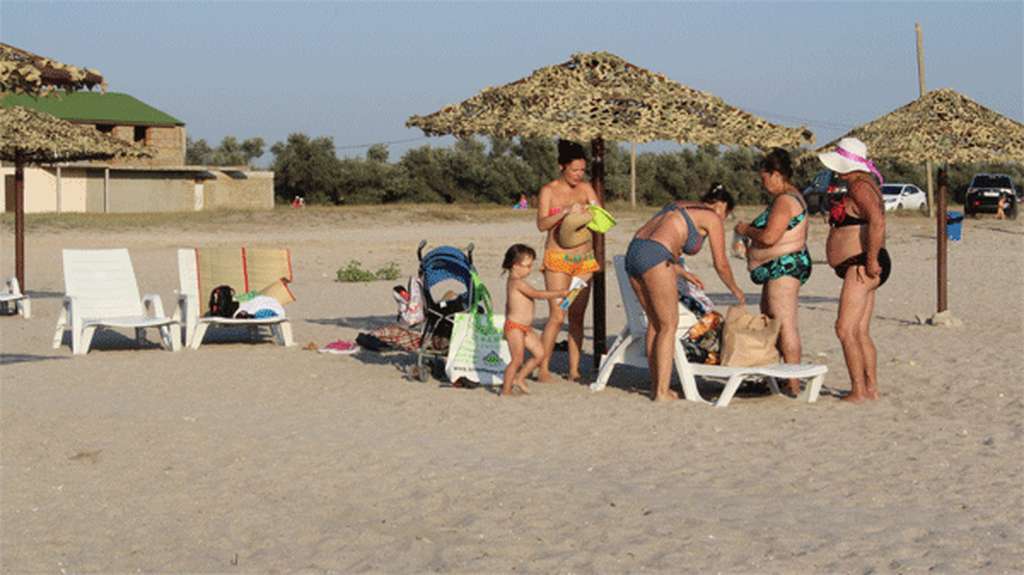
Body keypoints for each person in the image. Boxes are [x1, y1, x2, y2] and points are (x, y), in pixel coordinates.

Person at [624, 183, 746, 401]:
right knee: (668, 325)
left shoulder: (679, 205)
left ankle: (656, 386)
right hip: (656, 255)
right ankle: (662, 392)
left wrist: (681, 272)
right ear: (722, 206)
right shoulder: (712, 218)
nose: (723, 219)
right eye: (726, 214)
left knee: (655, 323)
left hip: (635, 251)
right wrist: (735, 289)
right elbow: (721, 263)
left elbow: (656, 237)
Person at [734, 149, 812, 396]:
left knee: (784, 323)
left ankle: (793, 383)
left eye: (764, 178)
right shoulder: (791, 197)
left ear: (776, 174)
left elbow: (769, 237)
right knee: (772, 319)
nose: (763, 183)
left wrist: (746, 230)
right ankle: (779, 376)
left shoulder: (784, 201)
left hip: (784, 267)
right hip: (778, 267)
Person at [818, 137, 889, 403]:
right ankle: (870, 388)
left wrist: (870, 259)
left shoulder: (860, 187)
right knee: (859, 331)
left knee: (845, 329)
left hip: (861, 262)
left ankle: (858, 390)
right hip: (862, 261)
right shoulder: (865, 184)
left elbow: (877, 222)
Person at [536, 140, 601, 384]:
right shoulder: (549, 190)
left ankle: (574, 369)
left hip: (583, 261)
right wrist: (564, 212)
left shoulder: (586, 189)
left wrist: (589, 211)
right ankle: (542, 367)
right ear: (561, 166)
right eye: (574, 170)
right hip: (558, 260)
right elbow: (541, 224)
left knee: (577, 315)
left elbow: (600, 216)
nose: (578, 174)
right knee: (557, 315)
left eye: (582, 170)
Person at [500, 244, 570, 396]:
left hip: (525, 328)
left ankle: (519, 378)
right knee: (517, 360)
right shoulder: (516, 282)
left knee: (540, 354)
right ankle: (506, 390)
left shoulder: (519, 281)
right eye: (527, 266)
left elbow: (508, 305)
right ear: (515, 265)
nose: (530, 270)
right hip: (515, 327)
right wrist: (559, 293)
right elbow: (537, 294)